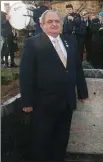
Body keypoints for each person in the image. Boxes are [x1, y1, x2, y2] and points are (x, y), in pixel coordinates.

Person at [19, 10, 89, 161]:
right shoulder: (32, 44)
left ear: (62, 24)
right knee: (42, 142)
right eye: (50, 22)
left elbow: (77, 68)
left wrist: (83, 92)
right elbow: (25, 74)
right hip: (43, 104)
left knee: (61, 141)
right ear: (42, 24)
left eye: (57, 21)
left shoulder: (70, 42)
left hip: (66, 102)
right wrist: (27, 102)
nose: (54, 24)